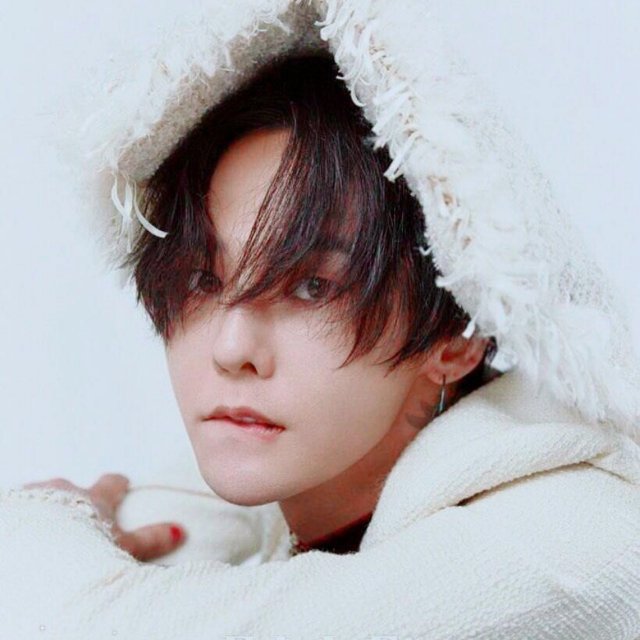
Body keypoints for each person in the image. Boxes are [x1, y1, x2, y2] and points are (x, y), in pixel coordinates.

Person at [3, 1, 640, 638]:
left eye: (312, 287)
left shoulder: (559, 547)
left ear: (457, 336)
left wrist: (49, 524)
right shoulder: (311, 490)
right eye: (202, 278)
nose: (231, 348)